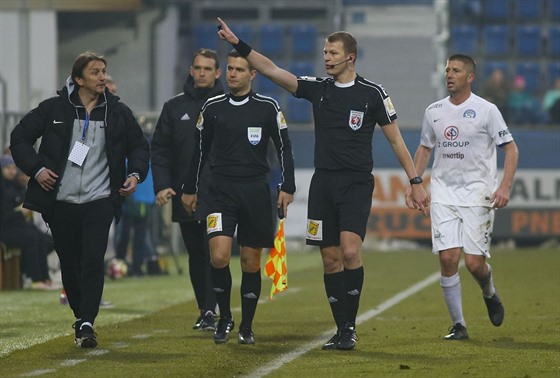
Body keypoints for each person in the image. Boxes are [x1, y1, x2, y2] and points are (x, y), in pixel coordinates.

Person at [215, 18, 429, 350]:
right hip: (323, 184)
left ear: (351, 57)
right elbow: (271, 70)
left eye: (332, 52)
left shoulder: (373, 93)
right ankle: (343, 329)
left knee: (350, 250)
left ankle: (349, 327)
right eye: (325, 52)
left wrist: (415, 180)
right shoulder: (319, 88)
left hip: (356, 183)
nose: (326, 58)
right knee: (330, 259)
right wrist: (237, 43)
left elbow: (397, 142)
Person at [10, 51, 150, 348]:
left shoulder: (118, 112)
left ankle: (87, 321)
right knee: (69, 262)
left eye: (104, 72)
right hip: (59, 202)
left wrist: (135, 174)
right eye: (96, 72)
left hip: (100, 199)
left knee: (93, 259)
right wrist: (36, 170)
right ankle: (80, 314)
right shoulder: (53, 109)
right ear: (78, 78)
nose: (102, 78)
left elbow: (139, 146)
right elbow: (19, 138)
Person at [181, 49, 296, 345]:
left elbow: (284, 148)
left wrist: (288, 186)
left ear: (252, 74)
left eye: (239, 70)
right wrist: (190, 188)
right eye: (230, 68)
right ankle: (225, 317)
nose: (233, 74)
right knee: (218, 256)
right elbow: (199, 151)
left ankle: (246, 324)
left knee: (250, 262)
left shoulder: (268, 107)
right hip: (219, 191)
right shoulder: (213, 106)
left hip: (256, 192)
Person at [405, 54, 519, 340]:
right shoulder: (434, 111)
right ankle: (459, 325)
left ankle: (489, 290)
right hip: (443, 192)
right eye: (446, 70)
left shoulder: (487, 110)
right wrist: (415, 183)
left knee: (474, 264)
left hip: (478, 194)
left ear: (470, 77)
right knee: (448, 258)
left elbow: (511, 150)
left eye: (455, 70)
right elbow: (425, 149)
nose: (449, 75)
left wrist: (504, 187)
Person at [151, 48, 224, 330]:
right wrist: (162, 185)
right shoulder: (174, 107)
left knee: (214, 252)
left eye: (208, 68)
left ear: (217, 73)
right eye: (198, 68)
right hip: (185, 194)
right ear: (191, 71)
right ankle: (206, 308)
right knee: (195, 252)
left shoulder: (228, 105)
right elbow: (160, 150)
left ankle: (210, 309)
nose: (202, 73)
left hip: (219, 193)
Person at [1, 155, 57, 290]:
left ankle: (45, 278)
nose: (11, 171)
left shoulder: (16, 186)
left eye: (14, 168)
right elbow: (5, 216)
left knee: (45, 239)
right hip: (4, 228)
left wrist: (19, 212)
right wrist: (20, 212)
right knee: (32, 238)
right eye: (8, 168)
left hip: (17, 225)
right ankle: (35, 279)